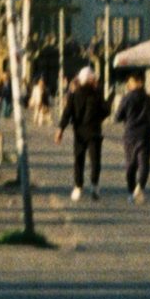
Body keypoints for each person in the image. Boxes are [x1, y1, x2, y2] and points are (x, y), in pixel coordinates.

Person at [58, 65, 110, 200]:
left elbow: (67, 112)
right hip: (94, 132)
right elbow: (105, 111)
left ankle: (78, 186)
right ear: (92, 80)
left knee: (78, 160)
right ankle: (94, 185)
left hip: (79, 132)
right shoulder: (97, 94)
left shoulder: (74, 95)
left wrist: (60, 129)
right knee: (95, 161)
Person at [114, 71, 150, 202]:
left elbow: (118, 116)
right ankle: (140, 186)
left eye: (130, 81)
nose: (128, 84)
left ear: (138, 82)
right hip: (145, 135)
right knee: (144, 163)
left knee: (130, 165)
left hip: (130, 135)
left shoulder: (127, 98)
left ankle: (131, 191)